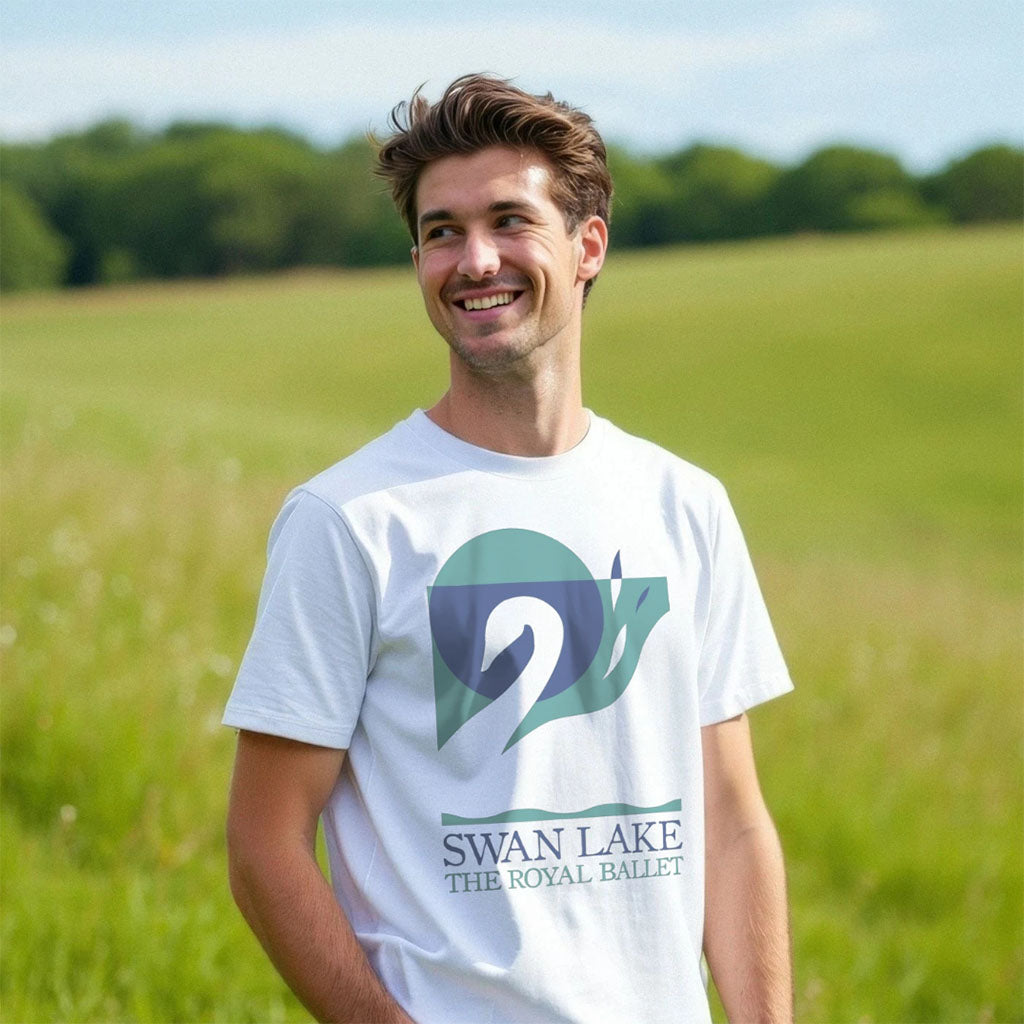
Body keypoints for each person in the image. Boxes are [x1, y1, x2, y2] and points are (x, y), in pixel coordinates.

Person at [224, 73, 794, 1024]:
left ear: (588, 246)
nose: (475, 259)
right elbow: (264, 845)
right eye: (442, 231)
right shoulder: (350, 520)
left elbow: (732, 823)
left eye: (508, 221)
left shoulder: (684, 505)